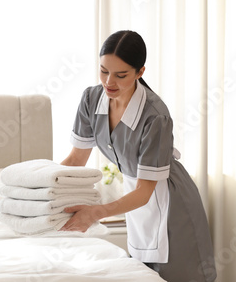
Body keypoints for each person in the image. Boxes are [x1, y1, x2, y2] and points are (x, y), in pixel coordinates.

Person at [60, 30, 217, 282]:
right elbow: (76, 160)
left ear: (140, 72)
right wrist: (42, 192)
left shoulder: (155, 115)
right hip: (137, 202)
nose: (109, 82)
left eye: (120, 75)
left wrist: (95, 212)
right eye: (103, 71)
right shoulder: (91, 99)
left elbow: (146, 191)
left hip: (171, 206)